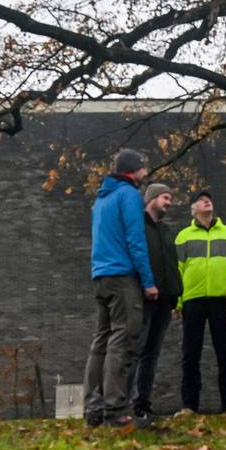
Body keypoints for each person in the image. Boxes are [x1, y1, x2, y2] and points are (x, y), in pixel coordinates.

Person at [82, 148, 158, 428]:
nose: (144, 174)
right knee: (122, 340)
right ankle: (116, 410)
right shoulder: (128, 196)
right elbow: (136, 240)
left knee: (101, 340)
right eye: (142, 169)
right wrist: (148, 282)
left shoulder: (101, 199)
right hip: (122, 277)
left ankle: (94, 407)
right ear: (132, 170)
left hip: (100, 276)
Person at [175, 189, 226, 414]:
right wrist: (178, 302)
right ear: (192, 209)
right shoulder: (183, 236)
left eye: (209, 199)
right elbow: (177, 270)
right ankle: (189, 406)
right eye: (201, 200)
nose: (206, 201)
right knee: (190, 354)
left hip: (221, 299)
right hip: (192, 300)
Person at [128, 182, 183, 423]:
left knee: (152, 354)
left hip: (165, 301)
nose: (169, 203)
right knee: (135, 351)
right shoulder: (137, 226)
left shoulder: (166, 230)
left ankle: (143, 405)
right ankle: (126, 405)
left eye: (170, 198)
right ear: (151, 199)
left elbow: (171, 265)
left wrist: (174, 296)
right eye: (165, 198)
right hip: (144, 299)